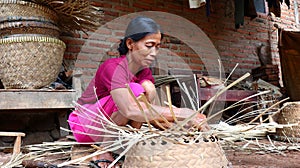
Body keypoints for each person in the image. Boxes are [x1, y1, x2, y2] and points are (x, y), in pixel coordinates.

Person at [68, 16, 207, 168]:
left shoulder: (144, 72)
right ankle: (104, 150)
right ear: (130, 44)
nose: (154, 52)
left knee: (148, 87)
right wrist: (184, 113)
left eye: (158, 46)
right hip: (85, 126)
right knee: (135, 90)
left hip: (112, 125)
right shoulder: (113, 67)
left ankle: (128, 145)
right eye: (149, 45)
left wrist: (179, 126)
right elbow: (129, 109)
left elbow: (147, 111)